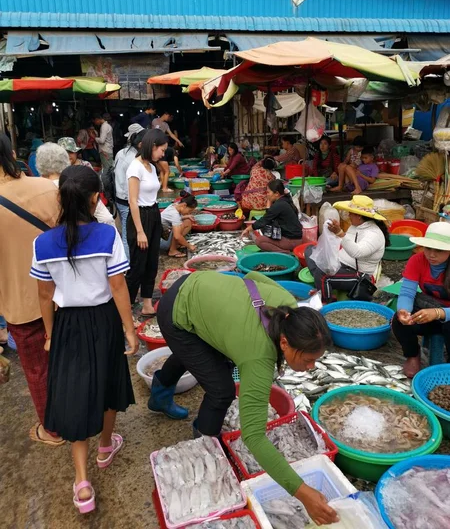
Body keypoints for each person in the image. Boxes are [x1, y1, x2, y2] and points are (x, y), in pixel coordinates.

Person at [148, 271, 337, 527]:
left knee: (201, 351)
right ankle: (204, 444)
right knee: (222, 390)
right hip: (175, 310)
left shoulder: (291, 313)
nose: (312, 366)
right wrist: (302, 492)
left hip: (199, 285)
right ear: (284, 343)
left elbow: (252, 275)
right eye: (307, 360)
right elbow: (254, 436)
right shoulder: (258, 357)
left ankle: (159, 395)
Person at [30, 165, 137, 514]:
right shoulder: (107, 236)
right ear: (95, 199)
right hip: (104, 319)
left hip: (68, 325)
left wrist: (49, 335)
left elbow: (45, 296)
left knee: (76, 393)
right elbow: (118, 287)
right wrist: (130, 330)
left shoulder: (43, 243)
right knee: (107, 382)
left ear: (61, 197)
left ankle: (82, 482)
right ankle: (106, 446)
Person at [0, 133, 63, 446]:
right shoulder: (46, 189)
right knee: (67, 360)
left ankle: (52, 429)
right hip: (63, 296)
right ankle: (78, 411)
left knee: (38, 371)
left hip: (20, 305)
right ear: (12, 152)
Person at [306, 195, 389, 303]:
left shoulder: (374, 234)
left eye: (351, 213)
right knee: (310, 251)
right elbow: (345, 242)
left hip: (360, 275)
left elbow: (357, 252)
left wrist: (339, 233)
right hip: (342, 264)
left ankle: (326, 300)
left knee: (322, 274)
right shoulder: (355, 226)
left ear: (359, 216)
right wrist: (333, 235)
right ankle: (322, 287)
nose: (349, 215)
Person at [393, 222, 450, 378]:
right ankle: (413, 355)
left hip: (446, 316)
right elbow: (407, 292)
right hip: (427, 311)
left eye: (438, 250)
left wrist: (438, 313)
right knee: (398, 320)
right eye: (428, 248)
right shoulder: (417, 260)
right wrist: (404, 311)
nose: (431, 254)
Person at [126, 130, 168, 317]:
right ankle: (125, 309)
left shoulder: (151, 166)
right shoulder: (135, 167)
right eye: (162, 150)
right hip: (140, 218)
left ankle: (147, 305)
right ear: (152, 146)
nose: (163, 154)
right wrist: (140, 231)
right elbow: (132, 201)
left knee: (152, 262)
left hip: (153, 213)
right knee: (137, 266)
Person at [36, 142, 115, 227]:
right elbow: (106, 218)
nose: (70, 155)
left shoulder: (34, 189)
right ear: (64, 159)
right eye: (67, 153)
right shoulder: (78, 184)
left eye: (72, 152)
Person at [242, 179, 303, 254]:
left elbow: (264, 220)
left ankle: (284, 253)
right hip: (295, 237)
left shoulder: (279, 205)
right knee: (264, 230)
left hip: (292, 240)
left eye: (268, 192)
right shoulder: (285, 199)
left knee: (260, 241)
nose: (266, 194)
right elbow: (270, 216)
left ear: (276, 193)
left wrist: (248, 229)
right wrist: (269, 201)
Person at [114, 125, 147, 259]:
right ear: (140, 143)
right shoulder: (135, 160)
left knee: (127, 232)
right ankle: (127, 267)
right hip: (128, 200)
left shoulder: (121, 153)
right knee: (129, 236)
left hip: (119, 198)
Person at [160, 192, 198, 258]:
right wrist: (189, 246)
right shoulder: (174, 215)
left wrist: (186, 216)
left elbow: (172, 219)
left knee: (187, 222)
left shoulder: (175, 205)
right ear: (184, 205)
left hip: (163, 235)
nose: (188, 213)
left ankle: (176, 244)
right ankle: (172, 250)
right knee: (180, 226)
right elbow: (177, 236)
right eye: (189, 211)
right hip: (161, 243)